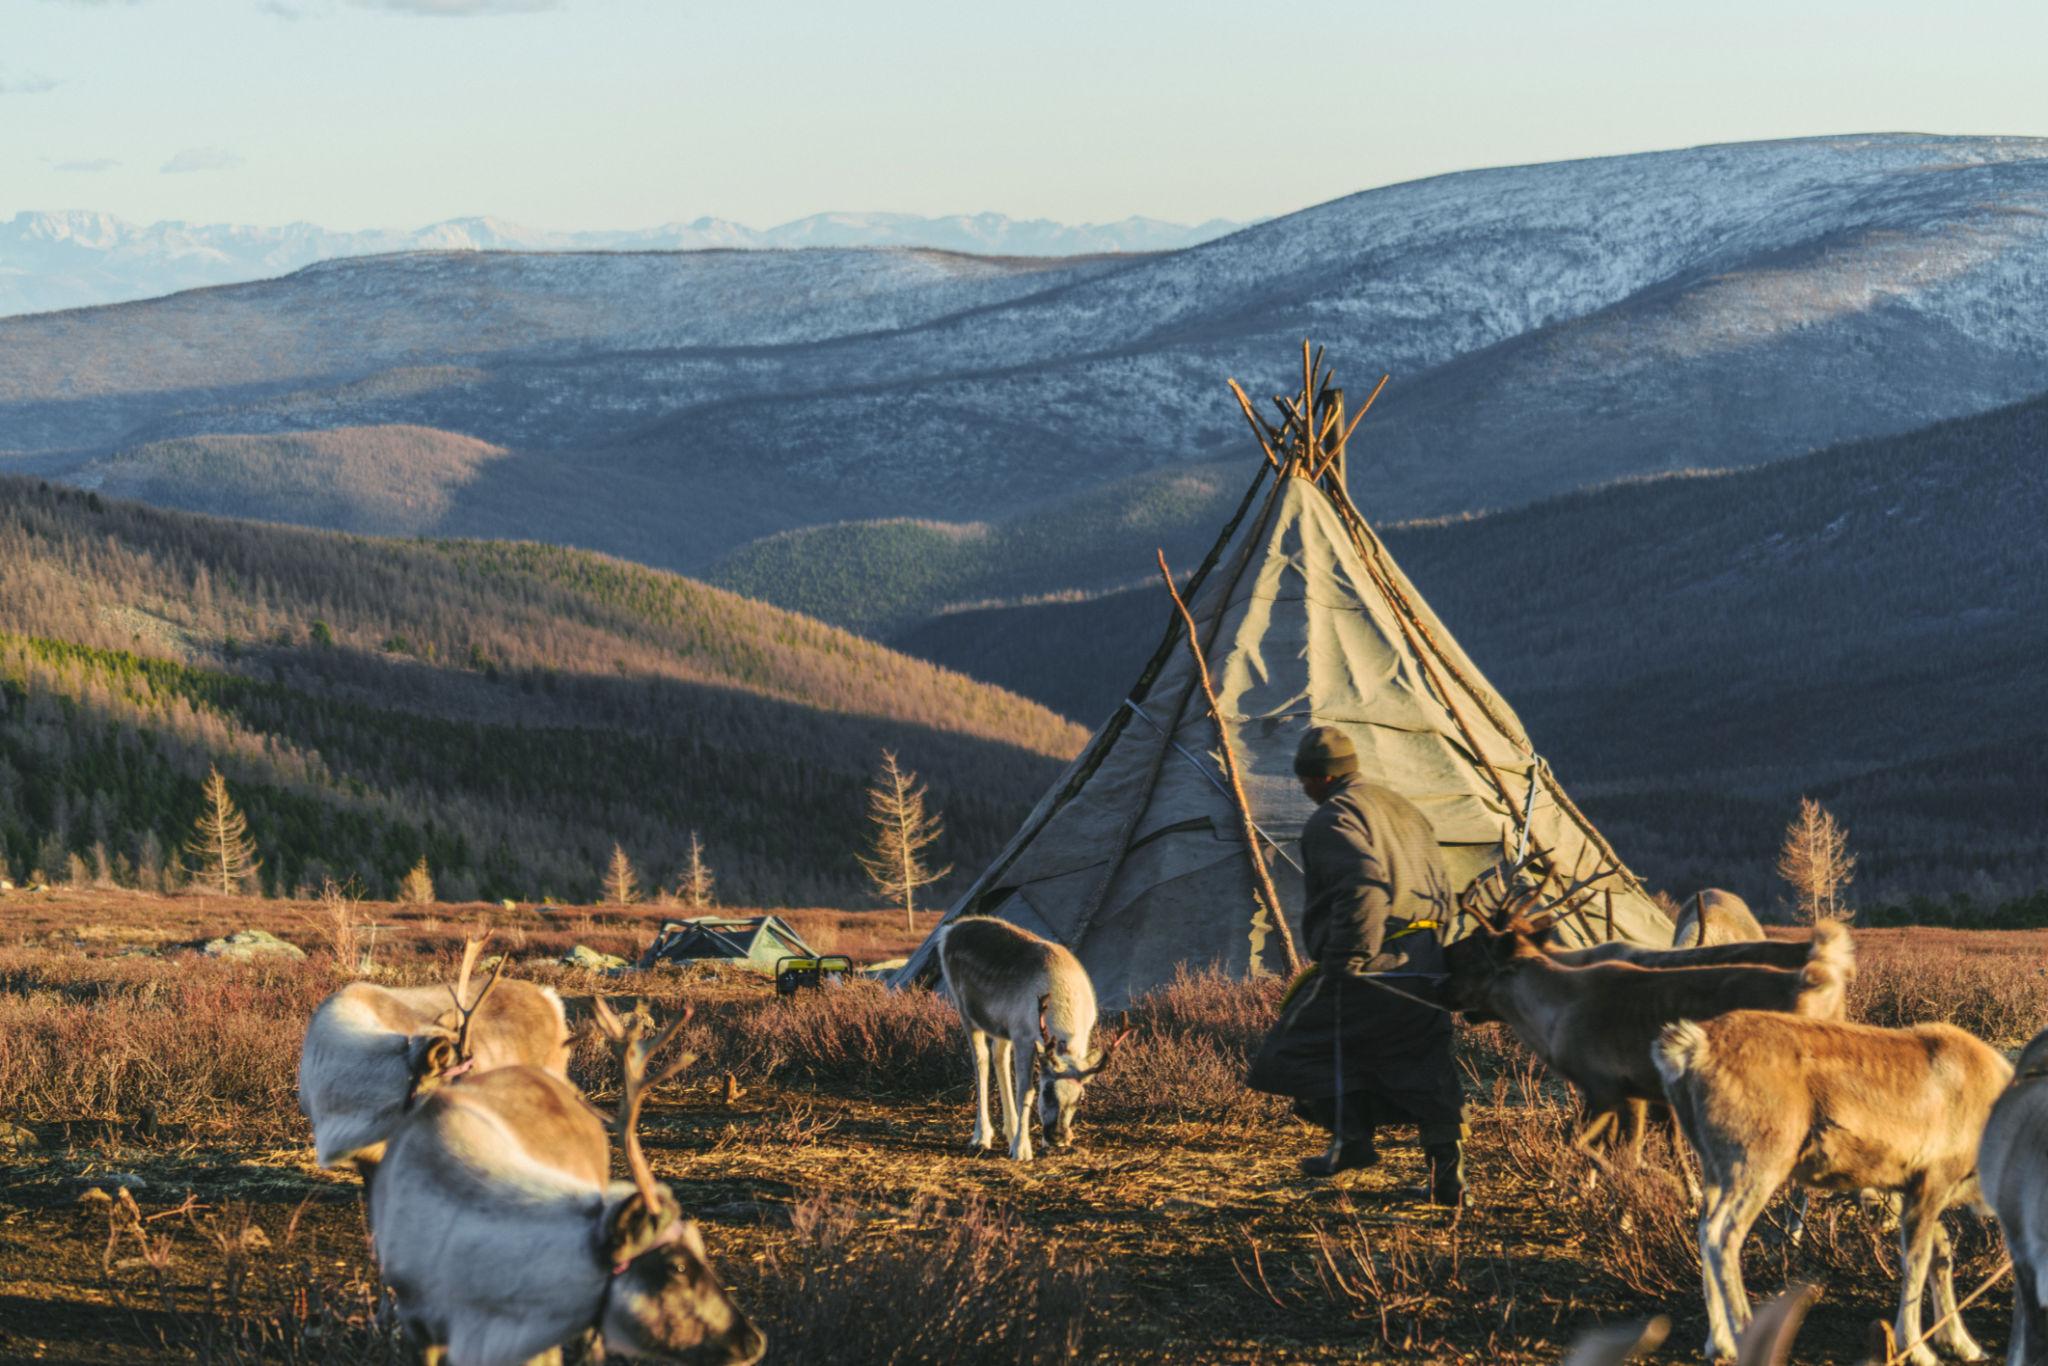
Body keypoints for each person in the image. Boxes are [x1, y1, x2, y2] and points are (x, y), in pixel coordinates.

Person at [1246, 725, 1468, 1206]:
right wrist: (1436, 949)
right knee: (1422, 1062)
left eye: (1306, 780)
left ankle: (1352, 1139)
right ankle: (1446, 1179)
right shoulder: (1402, 809)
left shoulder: (1333, 820)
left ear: (1320, 778)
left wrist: (1348, 958)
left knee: (1289, 1053)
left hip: (1370, 964)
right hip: (1423, 961)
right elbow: (1440, 882)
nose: (1303, 789)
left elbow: (1364, 886)